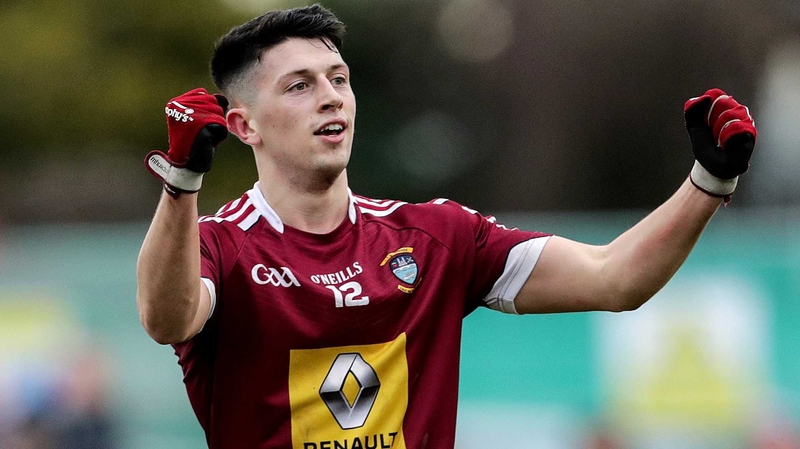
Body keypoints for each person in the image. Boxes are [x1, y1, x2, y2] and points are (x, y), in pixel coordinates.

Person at [136, 4, 757, 449]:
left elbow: (614, 279)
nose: (331, 97)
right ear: (244, 126)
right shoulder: (222, 247)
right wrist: (182, 184)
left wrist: (708, 181)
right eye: (299, 86)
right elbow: (167, 318)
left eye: (339, 80)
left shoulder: (434, 238)